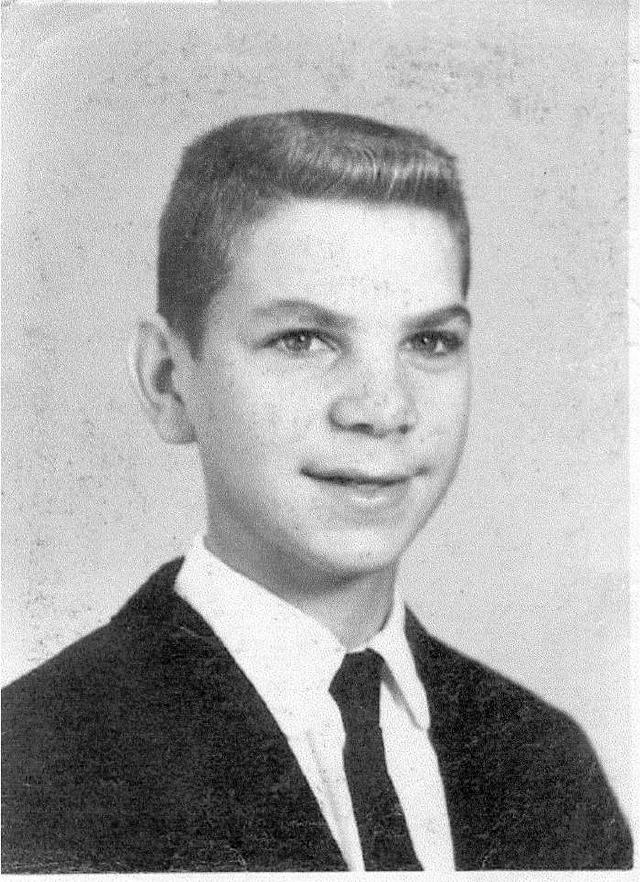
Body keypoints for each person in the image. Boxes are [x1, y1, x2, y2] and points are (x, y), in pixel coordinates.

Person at [1, 111, 632, 873]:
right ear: (168, 380)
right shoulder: (35, 762)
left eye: (429, 342)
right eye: (302, 340)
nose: (383, 409)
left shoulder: (544, 761)